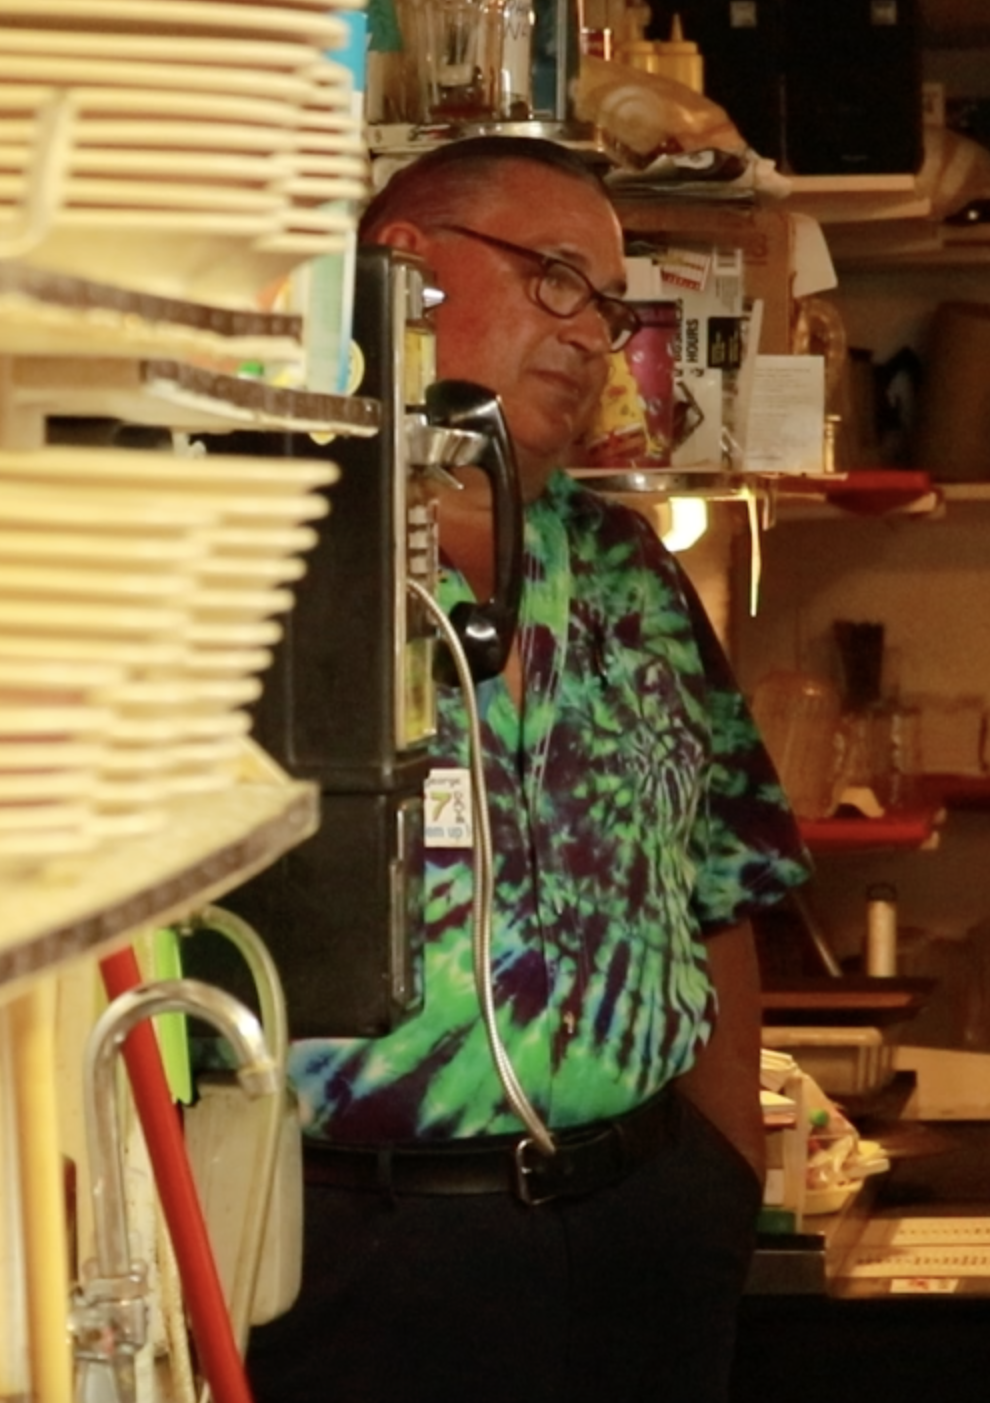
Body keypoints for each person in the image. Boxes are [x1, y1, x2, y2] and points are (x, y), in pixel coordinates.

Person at [244, 137, 813, 1403]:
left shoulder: (627, 570)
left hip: (642, 1223)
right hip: (355, 1243)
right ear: (401, 269)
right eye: (553, 277)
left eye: (604, 303)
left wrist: (722, 1170)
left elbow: (718, 885)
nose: (588, 333)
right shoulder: (267, 558)